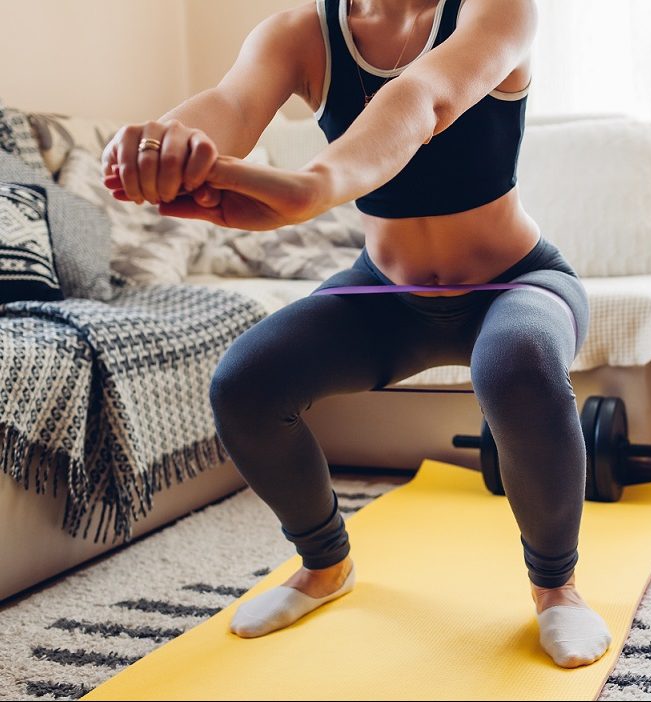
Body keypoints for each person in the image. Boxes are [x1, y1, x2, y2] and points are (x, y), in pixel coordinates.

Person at [102, 0, 612, 669]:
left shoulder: (496, 10)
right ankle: (324, 567)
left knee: (516, 364)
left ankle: (557, 591)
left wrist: (314, 186)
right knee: (244, 384)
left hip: (514, 283)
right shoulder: (300, 32)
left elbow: (421, 99)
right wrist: (162, 146)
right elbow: (228, 104)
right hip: (385, 296)